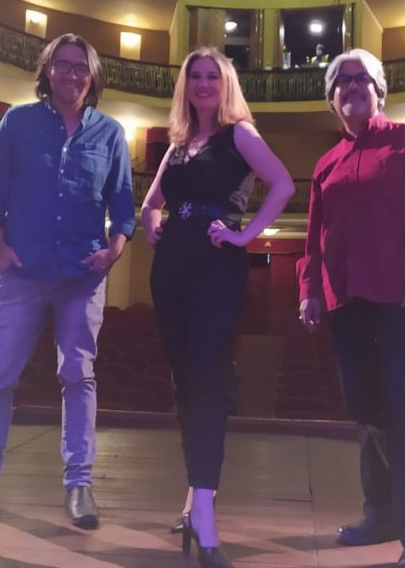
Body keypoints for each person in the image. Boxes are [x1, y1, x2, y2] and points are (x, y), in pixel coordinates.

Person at [0, 34, 135, 530]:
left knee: (78, 377)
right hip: (21, 272)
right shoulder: (17, 122)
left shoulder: (110, 133)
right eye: (63, 65)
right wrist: (0, 248)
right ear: (48, 70)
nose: (72, 74)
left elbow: (122, 205)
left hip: (82, 276)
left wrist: (114, 251)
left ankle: (79, 486)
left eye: (81, 67)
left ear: (92, 77)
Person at [296, 48, 405, 568]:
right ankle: (380, 515)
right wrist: (309, 289)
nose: (352, 86)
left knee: (403, 407)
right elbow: (314, 236)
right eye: (342, 81)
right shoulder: (326, 164)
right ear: (331, 98)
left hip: (397, 296)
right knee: (366, 409)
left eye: (362, 78)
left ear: (379, 89)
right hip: (345, 299)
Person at [141, 47, 294, 568]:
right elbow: (151, 203)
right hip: (171, 267)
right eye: (195, 76)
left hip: (215, 263)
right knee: (185, 381)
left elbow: (283, 184)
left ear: (225, 83)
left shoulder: (239, 134)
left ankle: (205, 512)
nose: (203, 83)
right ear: (185, 86)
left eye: (212, 75)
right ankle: (193, 501)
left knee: (206, 378)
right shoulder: (178, 144)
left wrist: (246, 236)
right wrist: (151, 224)